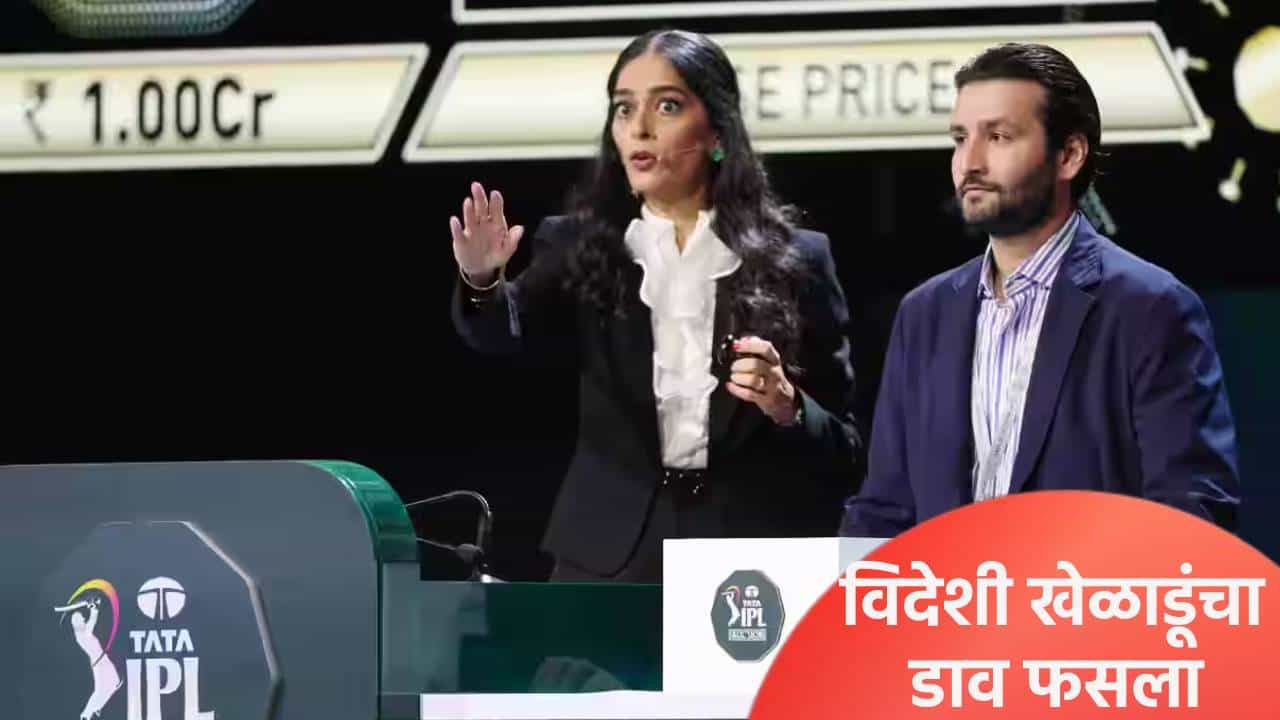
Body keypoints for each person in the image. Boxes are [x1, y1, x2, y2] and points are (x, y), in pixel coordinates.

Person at [450, 29, 860, 582]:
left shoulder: (799, 260)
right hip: (607, 560)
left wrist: (789, 406)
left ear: (717, 132)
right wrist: (481, 280)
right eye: (624, 108)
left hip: (749, 572)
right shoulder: (580, 244)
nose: (639, 128)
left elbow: (846, 452)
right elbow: (504, 332)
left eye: (666, 106)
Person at [840, 42, 1241, 538]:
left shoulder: (1151, 308)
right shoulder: (924, 314)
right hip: (944, 589)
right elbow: (884, 510)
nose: (970, 162)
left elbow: (1192, 513)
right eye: (961, 138)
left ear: (1068, 155)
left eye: (999, 137)